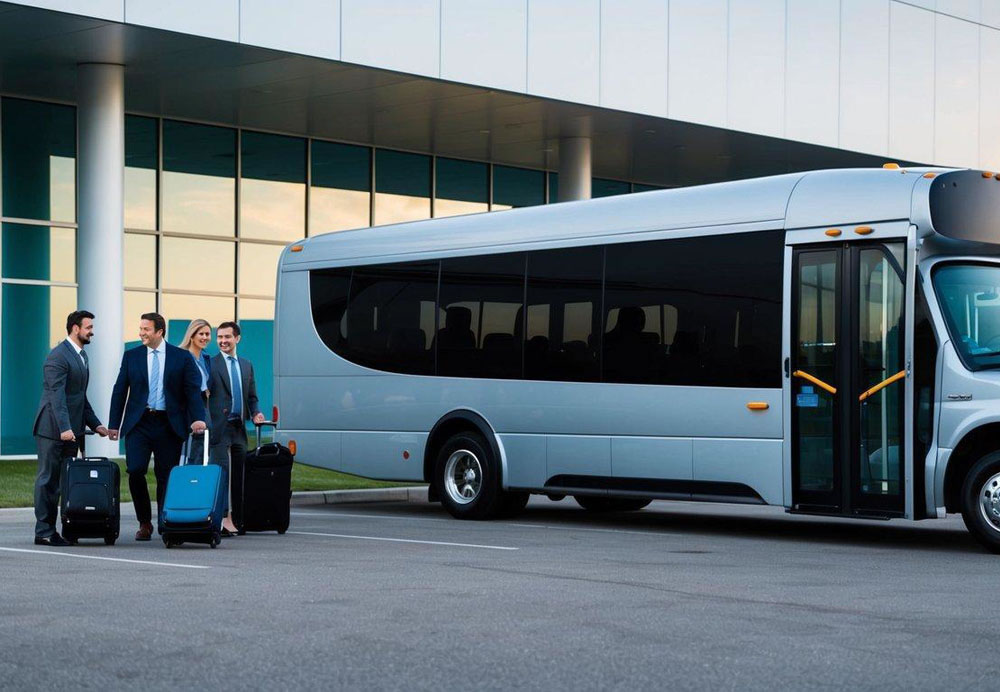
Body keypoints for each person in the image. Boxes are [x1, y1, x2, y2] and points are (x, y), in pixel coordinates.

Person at [108, 313, 207, 541]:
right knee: (135, 470)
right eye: (141, 328)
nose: (141, 333)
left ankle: (165, 521)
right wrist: (114, 424)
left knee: (166, 475)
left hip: (169, 423)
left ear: (159, 331)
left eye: (146, 329)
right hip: (139, 423)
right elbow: (120, 390)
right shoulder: (132, 356)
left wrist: (197, 418)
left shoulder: (181, 357)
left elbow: (192, 391)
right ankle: (144, 522)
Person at [32, 311, 110, 546]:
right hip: (52, 430)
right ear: (76, 328)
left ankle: (67, 528)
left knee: (65, 483)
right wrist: (65, 428)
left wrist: (96, 424)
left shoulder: (81, 356)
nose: (92, 331)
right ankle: (44, 532)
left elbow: (79, 397)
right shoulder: (58, 356)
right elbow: (56, 396)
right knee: (48, 481)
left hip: (71, 432)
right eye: (88, 327)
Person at [208, 321, 265, 536]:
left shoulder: (246, 365)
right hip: (219, 427)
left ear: (237, 338)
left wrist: (256, 413)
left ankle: (239, 519)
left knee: (239, 475)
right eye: (220, 337)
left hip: (239, 428)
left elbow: (252, 397)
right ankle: (222, 519)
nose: (223, 341)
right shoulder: (211, 364)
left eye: (227, 337)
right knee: (221, 473)